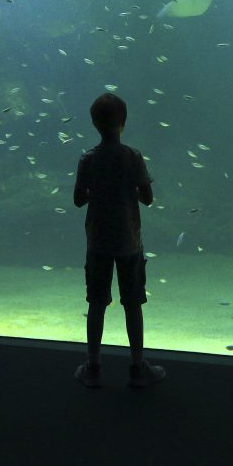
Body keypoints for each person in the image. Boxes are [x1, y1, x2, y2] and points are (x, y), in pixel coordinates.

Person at [72, 91, 163, 389]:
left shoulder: (88, 159)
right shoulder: (133, 157)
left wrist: (99, 191)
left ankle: (93, 367)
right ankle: (137, 367)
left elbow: (77, 199)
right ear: (123, 123)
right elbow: (148, 198)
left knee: (96, 303)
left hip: (97, 241)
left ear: (94, 123)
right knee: (132, 303)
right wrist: (129, 191)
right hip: (128, 241)